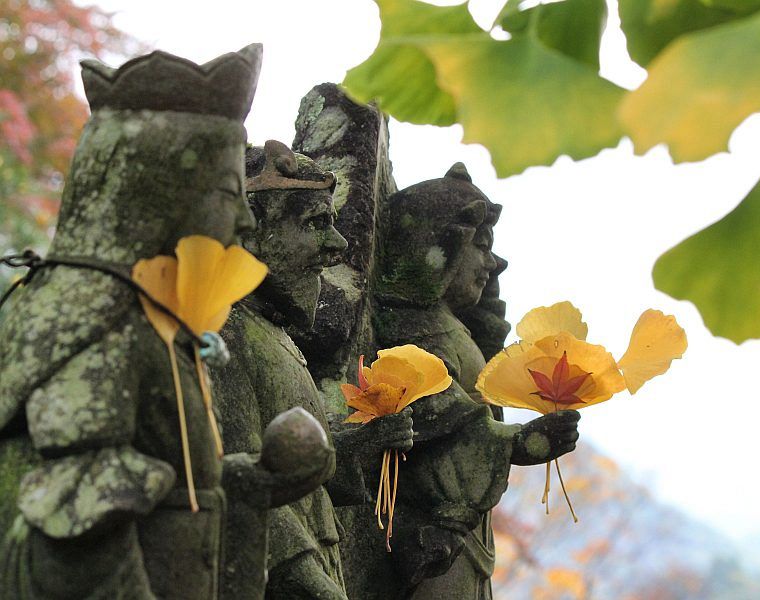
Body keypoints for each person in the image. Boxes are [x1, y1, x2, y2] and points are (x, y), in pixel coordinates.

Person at [0, 44, 261, 599]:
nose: (244, 218)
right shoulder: (93, 322)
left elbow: (178, 481)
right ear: (156, 193)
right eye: (227, 193)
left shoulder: (145, 314)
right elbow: (75, 519)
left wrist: (253, 483)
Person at [212, 140, 414, 600]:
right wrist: (312, 584)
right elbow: (242, 483)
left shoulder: (271, 336)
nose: (337, 245)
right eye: (315, 223)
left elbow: (295, 469)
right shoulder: (224, 335)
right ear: (247, 232)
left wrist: (357, 446)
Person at [369, 163, 581, 599]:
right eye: (480, 246)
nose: (493, 262)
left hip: (465, 534)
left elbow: (487, 354)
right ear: (442, 246)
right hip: (431, 525)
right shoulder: (414, 327)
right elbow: (435, 412)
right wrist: (517, 442)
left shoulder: (450, 325)